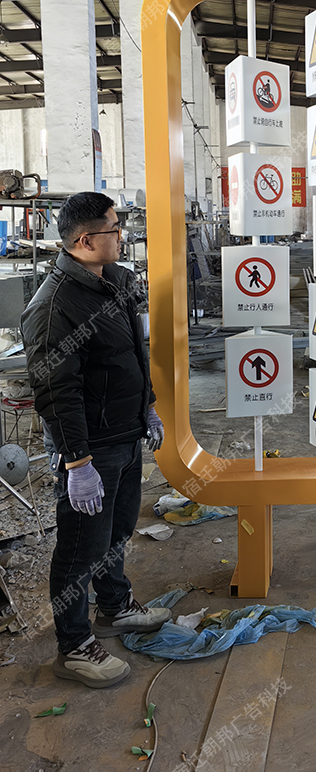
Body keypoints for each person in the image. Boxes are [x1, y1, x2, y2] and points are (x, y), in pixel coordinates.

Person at [20, 192, 171, 689]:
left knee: (117, 531)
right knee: (81, 546)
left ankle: (114, 606)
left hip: (125, 434)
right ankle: (74, 646)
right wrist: (77, 462)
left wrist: (147, 405)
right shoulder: (54, 306)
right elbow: (56, 391)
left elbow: (132, 353)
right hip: (90, 447)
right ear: (85, 240)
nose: (122, 236)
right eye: (114, 229)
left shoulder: (115, 281)